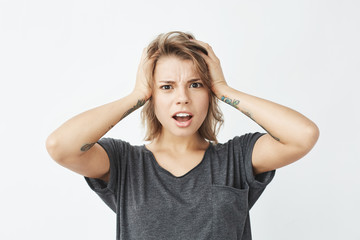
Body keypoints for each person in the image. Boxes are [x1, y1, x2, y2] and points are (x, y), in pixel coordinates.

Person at [46, 31, 319, 240]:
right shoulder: (125, 162)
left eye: (195, 84)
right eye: (167, 87)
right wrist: (137, 95)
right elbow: (61, 146)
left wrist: (224, 89)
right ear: (152, 95)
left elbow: (303, 135)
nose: (182, 98)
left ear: (208, 92)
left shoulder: (236, 158)